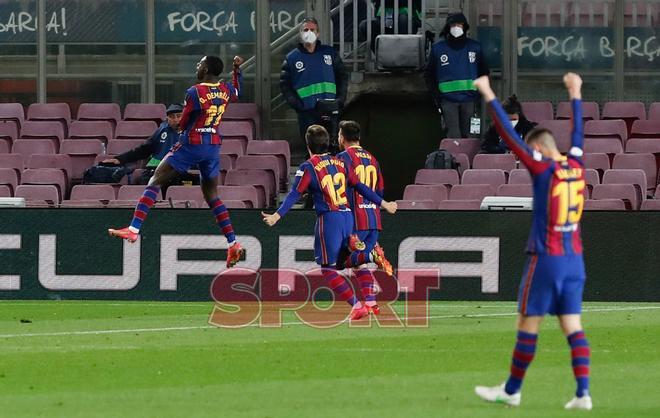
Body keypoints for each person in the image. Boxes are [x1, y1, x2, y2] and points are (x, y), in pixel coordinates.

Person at [472, 73, 592, 410]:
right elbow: (580, 132)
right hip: (575, 259)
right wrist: (576, 93)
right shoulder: (578, 164)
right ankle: (583, 393)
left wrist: (487, 93)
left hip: (547, 257)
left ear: (538, 149)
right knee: (572, 325)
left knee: (528, 323)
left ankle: (511, 390)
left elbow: (510, 137)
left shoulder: (542, 169)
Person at [108, 55, 246, 268]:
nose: (197, 67)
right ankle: (232, 242)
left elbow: (184, 120)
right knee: (212, 197)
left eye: (200, 64)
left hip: (192, 144)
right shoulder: (226, 89)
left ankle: (134, 229)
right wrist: (237, 70)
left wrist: (183, 126)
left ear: (206, 68)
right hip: (212, 146)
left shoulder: (194, 92)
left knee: (154, 181)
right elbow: (237, 92)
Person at [261, 125, 397, 321]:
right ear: (328, 142)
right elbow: (360, 187)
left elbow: (294, 195)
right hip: (348, 217)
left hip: (330, 219)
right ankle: (369, 299)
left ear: (307, 145)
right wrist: (383, 203)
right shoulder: (340, 162)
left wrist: (277, 215)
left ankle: (358, 303)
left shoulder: (308, 166)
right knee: (348, 262)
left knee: (328, 268)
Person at [335, 120, 391, 315]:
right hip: (373, 219)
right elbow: (380, 191)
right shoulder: (372, 159)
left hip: (354, 219)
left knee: (338, 262)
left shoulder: (342, 158)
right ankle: (371, 302)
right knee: (358, 263)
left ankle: (372, 254)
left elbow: (338, 188)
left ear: (342, 137)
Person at [280, 17, 348, 151]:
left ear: (318, 33)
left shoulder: (330, 53)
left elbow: (342, 77)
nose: (309, 32)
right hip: (307, 112)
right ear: (300, 33)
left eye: (312, 30)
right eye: (306, 30)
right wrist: (298, 106)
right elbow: (285, 86)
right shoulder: (292, 58)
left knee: (332, 149)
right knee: (311, 151)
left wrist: (340, 100)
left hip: (330, 109)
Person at [424, 12, 489, 138]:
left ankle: (470, 158)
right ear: (448, 26)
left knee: (471, 138)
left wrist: (478, 94)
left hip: (470, 100)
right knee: (453, 137)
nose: (456, 27)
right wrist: (437, 96)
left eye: (459, 24)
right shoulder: (438, 49)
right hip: (448, 101)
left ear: (465, 26)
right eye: (453, 24)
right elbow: (428, 74)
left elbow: (484, 72)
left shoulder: (475, 47)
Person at [102, 104, 183, 184]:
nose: (176, 120)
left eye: (179, 116)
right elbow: (144, 149)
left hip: (181, 172)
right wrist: (120, 159)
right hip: (157, 170)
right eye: (172, 117)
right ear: (167, 119)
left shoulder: (191, 132)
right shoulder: (162, 130)